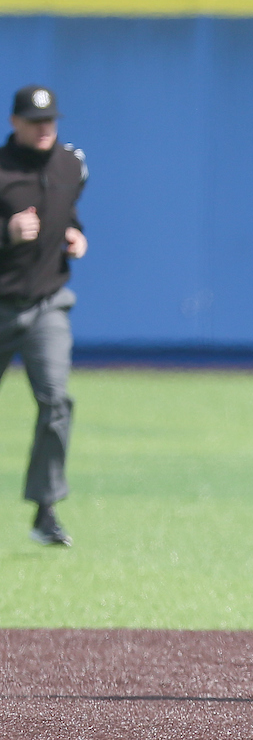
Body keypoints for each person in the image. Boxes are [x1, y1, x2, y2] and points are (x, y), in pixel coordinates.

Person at [0, 85, 88, 547]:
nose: (45, 128)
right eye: (35, 121)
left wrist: (75, 233)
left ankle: (45, 510)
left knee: (57, 402)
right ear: (14, 122)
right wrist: (6, 232)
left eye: (51, 120)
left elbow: (67, 212)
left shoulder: (71, 164)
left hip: (47, 305)